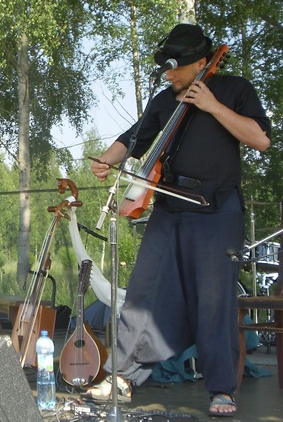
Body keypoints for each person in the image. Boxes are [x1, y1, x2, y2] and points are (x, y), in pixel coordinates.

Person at [89, 23, 271, 417]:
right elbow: (133, 137)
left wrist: (212, 106)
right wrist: (106, 159)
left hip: (216, 209)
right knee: (143, 291)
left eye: (176, 67)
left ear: (202, 63)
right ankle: (122, 375)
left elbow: (260, 139)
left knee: (214, 300)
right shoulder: (162, 100)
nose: (169, 74)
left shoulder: (234, 89)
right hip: (169, 208)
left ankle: (221, 388)